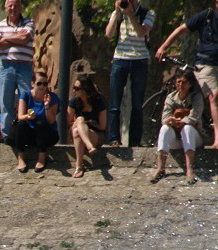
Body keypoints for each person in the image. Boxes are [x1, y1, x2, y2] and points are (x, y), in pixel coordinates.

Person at [156, 0, 218, 149]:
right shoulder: (207, 15)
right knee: (215, 95)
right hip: (206, 63)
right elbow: (181, 29)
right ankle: (217, 138)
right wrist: (164, 46)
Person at [0, 0, 34, 142]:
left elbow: (24, 38)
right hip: (6, 66)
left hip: (25, 66)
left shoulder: (29, 23)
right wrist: (15, 39)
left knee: (27, 100)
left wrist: (5, 39)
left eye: (16, 5)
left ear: (20, 7)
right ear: (5, 8)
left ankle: (27, 134)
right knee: (6, 103)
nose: (13, 8)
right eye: (10, 5)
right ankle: (7, 135)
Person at [105, 0, 154, 147]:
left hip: (139, 59)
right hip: (120, 58)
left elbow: (141, 33)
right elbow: (108, 33)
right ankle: (114, 138)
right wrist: (117, 13)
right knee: (115, 102)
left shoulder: (147, 13)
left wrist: (131, 14)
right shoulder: (118, 13)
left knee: (137, 103)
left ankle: (135, 140)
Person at [150, 69, 204, 186]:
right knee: (165, 128)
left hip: (194, 138)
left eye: (184, 82)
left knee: (187, 128)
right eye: (178, 82)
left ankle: (189, 169)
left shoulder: (196, 97)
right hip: (176, 138)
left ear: (190, 84)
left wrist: (183, 122)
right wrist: (170, 121)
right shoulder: (171, 97)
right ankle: (160, 168)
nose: (180, 85)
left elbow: (194, 116)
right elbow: (165, 116)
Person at [14, 70, 60, 173]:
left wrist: (47, 106)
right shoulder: (26, 95)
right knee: (21, 125)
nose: (42, 86)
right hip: (31, 133)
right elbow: (20, 116)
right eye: (39, 83)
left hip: (47, 134)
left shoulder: (53, 97)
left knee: (41, 123)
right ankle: (21, 158)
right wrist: (28, 116)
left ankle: (41, 158)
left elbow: (51, 121)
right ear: (32, 84)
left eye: (45, 83)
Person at [67, 76, 107, 178]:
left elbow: (103, 126)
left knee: (77, 130)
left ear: (85, 90)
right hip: (78, 131)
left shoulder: (98, 101)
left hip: (95, 134)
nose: (73, 90)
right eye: (73, 87)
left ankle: (79, 166)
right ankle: (89, 147)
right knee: (79, 121)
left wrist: (91, 123)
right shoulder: (74, 102)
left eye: (76, 88)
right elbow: (68, 122)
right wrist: (80, 123)